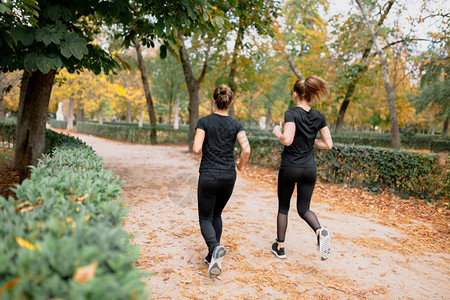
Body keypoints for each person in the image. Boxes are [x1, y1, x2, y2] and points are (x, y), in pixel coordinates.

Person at [271, 75, 333, 261]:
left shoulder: (291, 113)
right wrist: (310, 140)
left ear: (295, 94)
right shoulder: (319, 116)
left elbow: (288, 140)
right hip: (309, 169)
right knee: (304, 208)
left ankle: (280, 248)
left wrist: (278, 134)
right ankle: (319, 231)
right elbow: (329, 144)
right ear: (311, 95)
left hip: (290, 167)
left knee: (283, 207)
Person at [193, 84, 251, 278]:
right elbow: (246, 150)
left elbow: (196, 148)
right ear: (230, 103)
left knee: (205, 217)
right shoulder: (237, 125)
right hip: (228, 176)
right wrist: (241, 166)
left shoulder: (204, 122)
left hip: (209, 174)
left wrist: (206, 146)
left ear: (213, 100)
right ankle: (212, 257)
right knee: (217, 213)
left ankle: (214, 246)